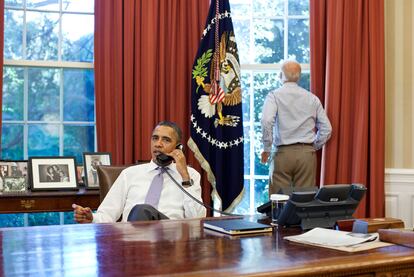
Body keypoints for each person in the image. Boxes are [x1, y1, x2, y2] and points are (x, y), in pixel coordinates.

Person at [72, 121, 206, 223]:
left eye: (166, 140)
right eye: (155, 138)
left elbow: (197, 218)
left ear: (178, 147)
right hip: (131, 238)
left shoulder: (189, 175)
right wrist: (91, 218)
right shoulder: (129, 174)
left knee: (141, 210)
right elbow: (106, 214)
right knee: (140, 210)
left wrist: (184, 176)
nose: (158, 144)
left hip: (171, 241)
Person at [261, 60, 332, 195]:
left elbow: (266, 121)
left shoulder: (274, 96)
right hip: (307, 155)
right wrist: (312, 146)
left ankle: (280, 217)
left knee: (279, 200)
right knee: (304, 202)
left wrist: (267, 148)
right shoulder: (312, 98)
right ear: (298, 77)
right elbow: (327, 129)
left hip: (282, 154)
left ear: (281, 75)